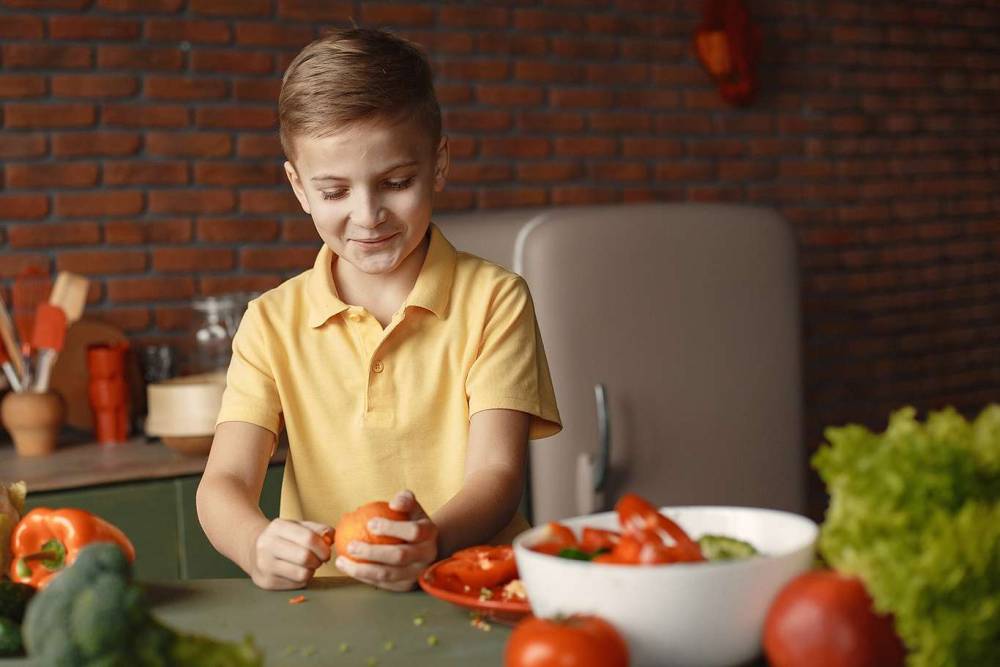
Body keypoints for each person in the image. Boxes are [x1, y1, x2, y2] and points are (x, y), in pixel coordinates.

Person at [196, 27, 561, 592]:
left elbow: (498, 473)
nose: (368, 216)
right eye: (335, 192)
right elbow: (223, 482)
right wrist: (253, 543)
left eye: (395, 182)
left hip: (477, 588)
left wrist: (430, 541)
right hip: (332, 603)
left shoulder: (495, 298)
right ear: (298, 187)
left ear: (438, 164)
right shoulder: (270, 322)